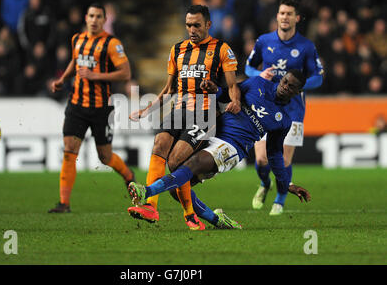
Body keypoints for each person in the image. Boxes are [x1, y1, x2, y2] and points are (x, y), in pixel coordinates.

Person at [128, 70, 312, 229]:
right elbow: (228, 94)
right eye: (285, 81)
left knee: (195, 163)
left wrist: (287, 183)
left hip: (233, 147)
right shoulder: (257, 83)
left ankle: (147, 191)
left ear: (298, 91)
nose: (285, 86)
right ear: (281, 80)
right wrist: (216, 90)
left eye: (291, 86)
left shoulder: (284, 120)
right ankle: (217, 220)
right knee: (177, 189)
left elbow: (274, 153)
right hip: (214, 129)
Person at [127, 5, 241, 229]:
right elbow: (169, 89)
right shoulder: (177, 50)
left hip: (204, 115)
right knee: (159, 144)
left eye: (197, 25)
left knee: (176, 162)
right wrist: (146, 110)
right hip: (178, 110)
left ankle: (191, 215)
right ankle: (151, 207)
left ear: (208, 24)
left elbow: (232, 85)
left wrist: (235, 101)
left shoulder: (221, 49)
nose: (192, 29)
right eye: (188, 25)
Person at [48, 3, 134, 213]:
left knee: (104, 157)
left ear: (105, 20)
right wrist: (63, 79)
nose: (94, 20)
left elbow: (125, 73)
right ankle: (64, 203)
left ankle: (128, 175)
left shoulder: (112, 44)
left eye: (99, 17)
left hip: (100, 108)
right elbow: (75, 61)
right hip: (76, 105)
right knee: (70, 150)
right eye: (91, 16)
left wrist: (97, 76)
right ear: (85, 18)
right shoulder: (77, 39)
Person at [245, 0, 323, 215]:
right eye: (281, 13)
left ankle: (280, 198)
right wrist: (260, 75)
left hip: (293, 110)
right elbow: (249, 67)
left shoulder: (306, 47)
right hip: (266, 104)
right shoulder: (263, 41)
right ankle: (265, 184)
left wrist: (301, 86)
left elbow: (318, 77)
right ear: (277, 16)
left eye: (289, 13)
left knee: (283, 160)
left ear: (296, 18)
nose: (285, 17)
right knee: (261, 159)